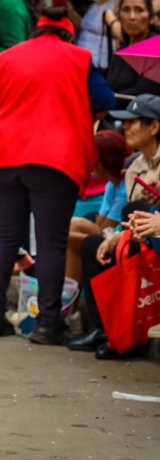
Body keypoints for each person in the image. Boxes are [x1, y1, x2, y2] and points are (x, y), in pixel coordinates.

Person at [0, 9, 115, 344]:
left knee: (5, 234)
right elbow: (105, 100)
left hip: (5, 153)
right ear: (68, 34)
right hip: (54, 157)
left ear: (36, 31)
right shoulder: (79, 58)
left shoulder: (6, 58)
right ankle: (48, 323)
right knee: (51, 240)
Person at [71, 95, 160, 358]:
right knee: (94, 246)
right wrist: (114, 237)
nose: (125, 128)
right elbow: (130, 218)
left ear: (154, 127)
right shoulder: (133, 167)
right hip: (141, 234)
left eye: (133, 122)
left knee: (135, 214)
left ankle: (128, 332)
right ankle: (105, 329)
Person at [65, 131, 131, 286]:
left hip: (119, 239)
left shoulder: (124, 189)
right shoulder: (111, 185)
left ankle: (69, 297)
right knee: (71, 229)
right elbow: (100, 226)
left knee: (65, 235)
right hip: (105, 235)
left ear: (100, 164)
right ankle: (70, 297)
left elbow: (105, 230)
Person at [105, 0, 160, 99]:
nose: (132, 17)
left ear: (151, 18)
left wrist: (108, 100)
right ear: (119, 17)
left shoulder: (156, 50)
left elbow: (143, 94)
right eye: (126, 10)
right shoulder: (119, 54)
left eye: (139, 10)